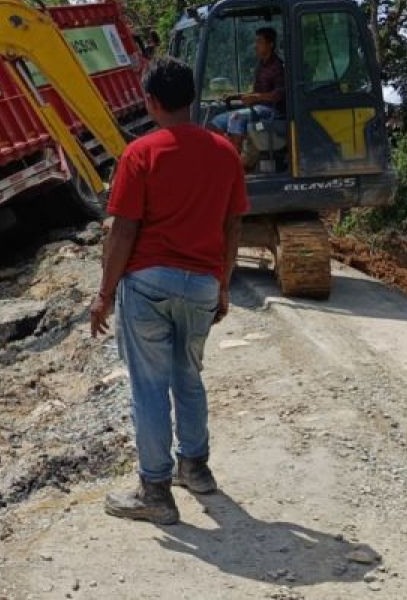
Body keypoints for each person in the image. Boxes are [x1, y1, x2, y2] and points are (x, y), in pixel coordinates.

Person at [90, 56, 248, 526]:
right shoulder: (225, 153)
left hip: (149, 285)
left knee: (150, 389)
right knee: (189, 377)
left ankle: (154, 490)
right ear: (193, 97)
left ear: (152, 102)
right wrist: (222, 283)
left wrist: (103, 295)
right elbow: (232, 225)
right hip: (201, 283)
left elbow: (123, 231)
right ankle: (196, 469)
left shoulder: (141, 153)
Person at [209, 27, 286, 154]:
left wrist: (256, 98)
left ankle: (236, 159)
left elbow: (279, 94)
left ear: (270, 44)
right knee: (215, 122)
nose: (256, 46)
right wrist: (236, 95)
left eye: (260, 42)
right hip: (257, 108)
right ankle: (225, 152)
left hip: (272, 111)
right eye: (256, 42)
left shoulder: (277, 67)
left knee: (236, 117)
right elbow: (256, 92)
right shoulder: (261, 65)